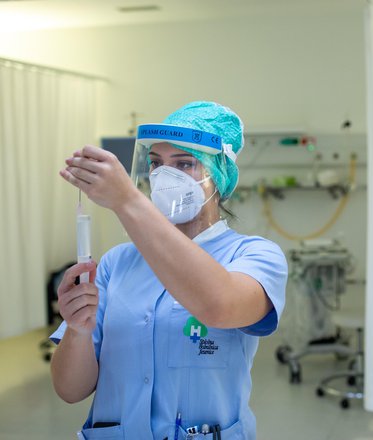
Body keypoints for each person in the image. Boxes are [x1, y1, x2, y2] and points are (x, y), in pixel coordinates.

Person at [50, 101, 288, 440]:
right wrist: (76, 330)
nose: (164, 177)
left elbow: (219, 306)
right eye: (156, 164)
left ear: (218, 175)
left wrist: (127, 200)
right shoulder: (116, 263)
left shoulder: (254, 256)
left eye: (185, 164)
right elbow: (70, 391)